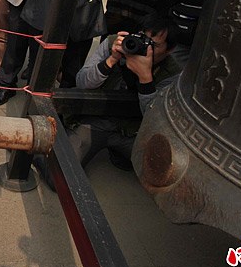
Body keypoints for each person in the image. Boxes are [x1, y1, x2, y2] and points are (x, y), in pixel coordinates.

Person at [67, 12, 181, 170]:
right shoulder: (115, 44)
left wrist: (145, 78)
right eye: (141, 38)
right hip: (98, 120)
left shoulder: (172, 72)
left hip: (134, 131)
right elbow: (81, 82)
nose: (144, 47)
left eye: (153, 45)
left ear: (170, 49)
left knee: (159, 172)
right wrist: (111, 60)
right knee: (59, 172)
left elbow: (155, 119)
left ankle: (119, 153)